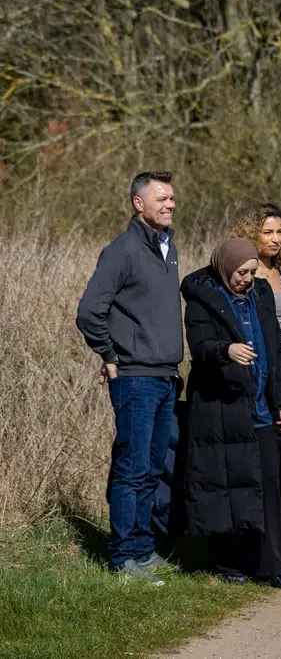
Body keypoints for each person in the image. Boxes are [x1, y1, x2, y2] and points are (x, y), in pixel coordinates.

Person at [76, 171, 182, 584]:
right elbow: (89, 312)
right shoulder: (121, 251)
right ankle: (123, 558)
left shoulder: (167, 247)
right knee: (132, 467)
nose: (170, 204)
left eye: (172, 198)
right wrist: (110, 354)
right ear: (139, 203)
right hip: (135, 377)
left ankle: (142, 548)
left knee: (153, 469)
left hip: (165, 376)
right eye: (161, 198)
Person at [180, 238, 281, 590]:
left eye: (251, 272)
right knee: (227, 485)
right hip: (222, 408)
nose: (246, 279)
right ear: (224, 269)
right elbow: (200, 347)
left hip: (263, 406)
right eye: (240, 273)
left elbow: (278, 353)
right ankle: (228, 562)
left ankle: (273, 564)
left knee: (269, 484)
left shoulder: (261, 296)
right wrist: (226, 349)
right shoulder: (203, 299)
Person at [230, 203, 281, 513]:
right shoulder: (243, 277)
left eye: (280, 232)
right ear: (251, 235)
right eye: (267, 232)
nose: (275, 239)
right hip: (258, 374)